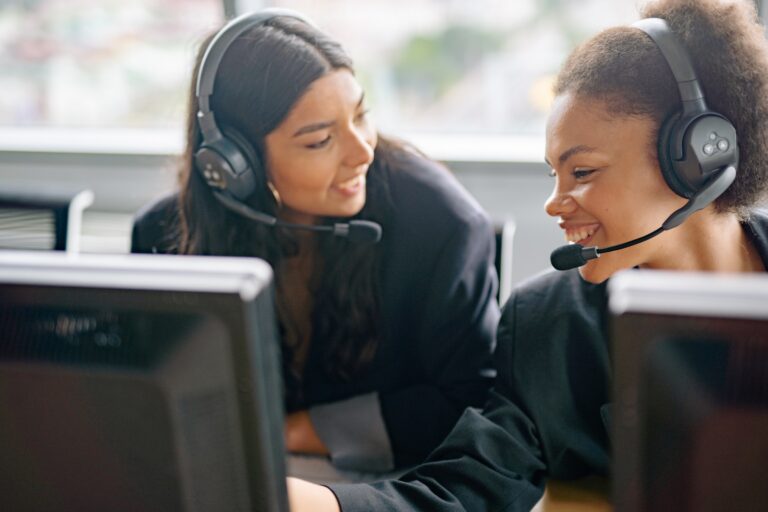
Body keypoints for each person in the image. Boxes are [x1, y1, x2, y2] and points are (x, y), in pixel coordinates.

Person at [287, 0, 768, 508]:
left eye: (581, 172)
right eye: (553, 175)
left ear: (695, 159)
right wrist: (313, 503)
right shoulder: (547, 325)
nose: (554, 203)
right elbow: (468, 489)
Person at [131, 10, 499, 473]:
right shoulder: (165, 238)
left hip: (387, 484)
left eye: (360, 115)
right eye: (320, 139)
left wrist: (296, 431)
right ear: (234, 165)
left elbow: (471, 402)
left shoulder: (442, 224)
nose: (362, 150)